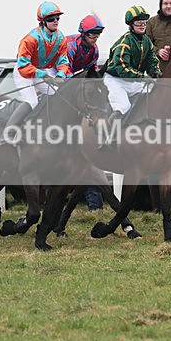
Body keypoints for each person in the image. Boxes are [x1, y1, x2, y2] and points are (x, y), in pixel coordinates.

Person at [3, 1, 69, 145]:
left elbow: (63, 61)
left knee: (57, 95)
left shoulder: (61, 38)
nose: (56, 21)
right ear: (43, 21)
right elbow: (23, 65)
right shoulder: (31, 39)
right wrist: (43, 75)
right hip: (24, 73)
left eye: (58, 18)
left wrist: (60, 75)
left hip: (40, 72)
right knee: (32, 100)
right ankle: (8, 132)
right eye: (51, 19)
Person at [101, 5, 160, 148]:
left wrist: (155, 71)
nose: (142, 25)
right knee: (123, 105)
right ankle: (109, 137)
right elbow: (122, 68)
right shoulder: (124, 43)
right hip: (116, 80)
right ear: (131, 25)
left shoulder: (147, 41)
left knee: (149, 95)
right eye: (138, 23)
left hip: (132, 79)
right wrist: (141, 77)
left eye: (144, 22)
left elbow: (152, 59)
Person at [65, 14, 104, 208]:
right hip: (58, 79)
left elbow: (93, 74)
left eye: (98, 33)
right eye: (92, 33)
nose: (95, 36)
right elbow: (64, 73)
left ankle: (94, 204)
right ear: (83, 33)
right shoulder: (70, 46)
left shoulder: (94, 50)